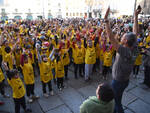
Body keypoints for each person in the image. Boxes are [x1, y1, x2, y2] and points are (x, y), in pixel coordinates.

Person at [104, 6, 141, 113]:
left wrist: (106, 20)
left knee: (116, 102)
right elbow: (135, 32)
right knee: (118, 98)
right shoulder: (134, 46)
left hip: (118, 81)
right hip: (125, 80)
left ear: (125, 41)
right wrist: (136, 16)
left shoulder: (124, 51)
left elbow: (111, 37)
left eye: (123, 36)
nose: (121, 36)